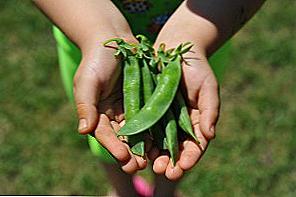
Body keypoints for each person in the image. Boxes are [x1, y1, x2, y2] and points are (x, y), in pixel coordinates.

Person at [33, 0, 265, 196]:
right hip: (84, 30)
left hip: (202, 40)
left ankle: (165, 193)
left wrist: (195, 32)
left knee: (179, 143)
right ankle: (124, 192)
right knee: (108, 140)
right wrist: (97, 32)